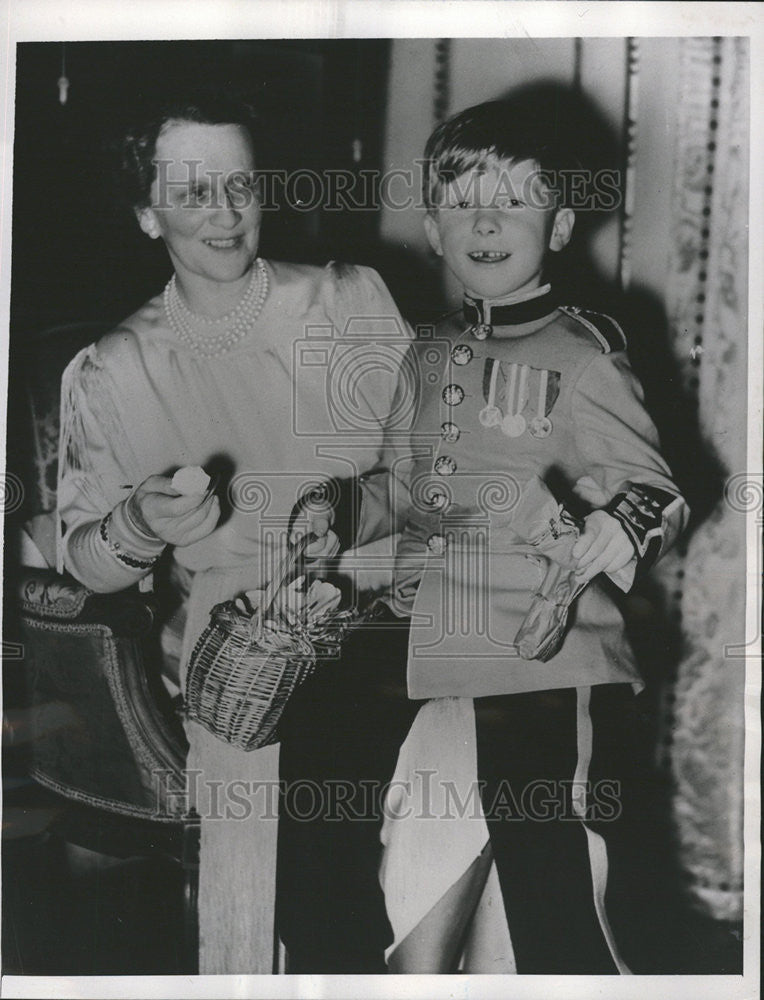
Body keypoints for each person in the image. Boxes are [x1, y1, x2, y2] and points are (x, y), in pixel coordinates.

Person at [277, 98, 689, 974]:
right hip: (423, 635)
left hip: (543, 655)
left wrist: (622, 527)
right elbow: (400, 486)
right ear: (432, 227)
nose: (488, 221)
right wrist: (339, 516)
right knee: (319, 760)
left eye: (514, 200)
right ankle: (340, 961)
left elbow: (654, 487)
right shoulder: (424, 355)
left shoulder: (585, 356)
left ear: (561, 223)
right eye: (463, 202)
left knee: (547, 863)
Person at [56, 89, 410, 973]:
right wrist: (140, 522)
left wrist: (349, 512)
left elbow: (437, 471)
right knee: (317, 812)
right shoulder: (116, 368)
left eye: (242, 184)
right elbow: (86, 565)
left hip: (393, 618)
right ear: (147, 212)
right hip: (242, 662)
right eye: (194, 190)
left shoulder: (345, 303)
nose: (226, 212)